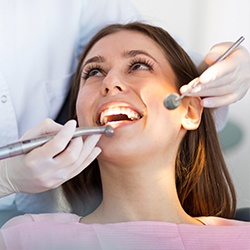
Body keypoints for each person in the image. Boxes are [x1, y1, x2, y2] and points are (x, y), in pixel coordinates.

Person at [1, 22, 249, 249]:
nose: (110, 81)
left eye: (139, 65)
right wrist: (4, 179)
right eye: (94, 72)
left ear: (191, 110)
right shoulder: (26, 238)